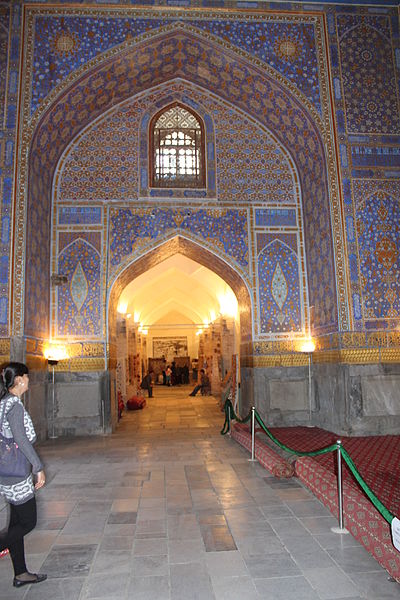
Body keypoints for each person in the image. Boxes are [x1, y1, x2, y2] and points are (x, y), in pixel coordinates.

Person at [0, 362, 47, 588]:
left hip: (6, 471)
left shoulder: (3, 403)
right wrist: (38, 467)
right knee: (29, 521)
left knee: (16, 523)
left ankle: (21, 573)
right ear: (19, 379)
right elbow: (21, 439)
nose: (29, 380)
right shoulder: (14, 406)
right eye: (27, 377)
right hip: (18, 472)